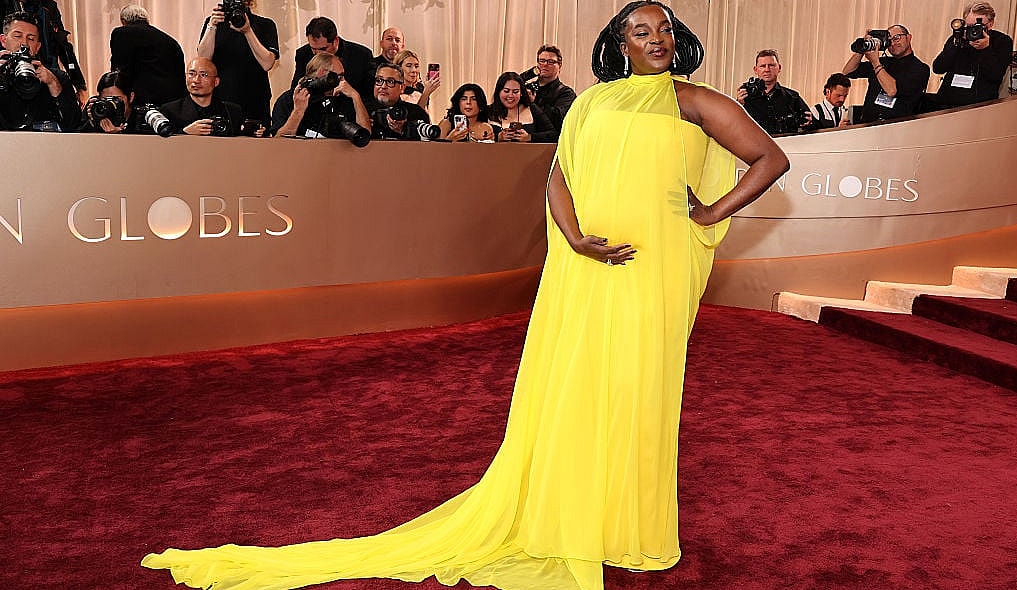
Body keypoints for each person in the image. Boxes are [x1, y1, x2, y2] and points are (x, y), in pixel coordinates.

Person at [140, 2, 788, 589]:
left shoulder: (693, 100)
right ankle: (573, 510)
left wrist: (710, 213)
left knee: (639, 385)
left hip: (654, 265)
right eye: (641, 31)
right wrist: (574, 239)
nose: (656, 39)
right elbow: (559, 176)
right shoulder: (593, 102)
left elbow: (769, 159)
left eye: (664, 29)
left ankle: (628, 523)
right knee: (578, 383)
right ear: (619, 44)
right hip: (586, 263)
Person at [197, 0, 278, 129]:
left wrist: (247, 31)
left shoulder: (265, 25)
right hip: (221, 100)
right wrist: (211, 26)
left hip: (255, 100)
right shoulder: (214, 23)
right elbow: (203, 61)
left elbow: (267, 63)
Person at [0, 11, 79, 131]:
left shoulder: (57, 77)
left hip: (44, 142)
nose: (24, 44)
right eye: (17, 36)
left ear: (38, 47)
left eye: (31, 38)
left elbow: (73, 125)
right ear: (3, 40)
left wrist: (53, 84)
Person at [931, 1, 1012, 109]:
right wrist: (956, 43)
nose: (973, 31)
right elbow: (937, 68)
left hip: (979, 106)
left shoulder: (1002, 41)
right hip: (947, 102)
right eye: (969, 26)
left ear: (990, 24)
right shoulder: (957, 38)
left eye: (978, 26)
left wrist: (985, 49)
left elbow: (996, 75)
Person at [843, 24, 929, 122]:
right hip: (868, 123)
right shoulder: (883, 61)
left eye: (896, 38)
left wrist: (876, 63)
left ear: (908, 37)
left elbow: (892, 91)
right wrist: (863, 47)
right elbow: (848, 72)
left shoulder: (920, 68)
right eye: (889, 41)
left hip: (895, 126)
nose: (893, 43)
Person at [271, 53, 370, 138]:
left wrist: (356, 97)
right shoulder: (290, 99)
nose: (343, 81)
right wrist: (298, 111)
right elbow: (279, 142)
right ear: (322, 73)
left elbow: (364, 137)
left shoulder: (344, 97)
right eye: (339, 76)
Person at [0, 0, 85, 97]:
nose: (24, 42)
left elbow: (63, 45)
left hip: (46, 72)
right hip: (8, 73)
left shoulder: (48, 6)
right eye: (18, 36)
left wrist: (79, 84)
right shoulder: (4, 6)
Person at [109, 5, 185, 107]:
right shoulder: (170, 41)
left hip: (142, 102)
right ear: (146, 20)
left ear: (123, 21)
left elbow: (119, 70)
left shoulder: (122, 33)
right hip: (174, 103)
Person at [290, 16, 373, 100]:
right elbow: (295, 89)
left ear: (335, 41)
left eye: (323, 49)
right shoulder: (303, 54)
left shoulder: (362, 56)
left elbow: (369, 95)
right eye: (313, 49)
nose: (317, 54)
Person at [735, 49, 812, 134]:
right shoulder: (745, 97)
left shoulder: (792, 97)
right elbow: (733, 125)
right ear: (755, 69)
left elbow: (811, 123)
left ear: (779, 68)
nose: (767, 69)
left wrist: (808, 123)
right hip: (753, 141)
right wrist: (738, 105)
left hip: (785, 141)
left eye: (771, 65)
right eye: (763, 66)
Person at [159, 57, 242, 136]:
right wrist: (184, 132)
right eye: (191, 74)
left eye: (203, 75)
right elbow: (161, 142)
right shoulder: (169, 111)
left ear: (216, 82)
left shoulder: (231, 112)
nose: (196, 80)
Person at [364, 62, 431, 140]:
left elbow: (426, 145)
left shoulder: (416, 113)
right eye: (379, 80)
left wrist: (403, 131)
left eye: (390, 82)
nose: (383, 86)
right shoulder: (363, 110)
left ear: (402, 88)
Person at [490, 71, 556, 143]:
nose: (510, 95)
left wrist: (529, 137)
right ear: (498, 92)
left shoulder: (532, 109)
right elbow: (480, 137)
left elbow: (553, 135)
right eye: (506, 91)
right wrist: (497, 137)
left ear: (521, 93)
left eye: (515, 92)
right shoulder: (488, 111)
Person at [524, 44, 577, 134]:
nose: (545, 64)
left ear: (559, 65)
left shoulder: (566, 93)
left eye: (551, 62)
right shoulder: (528, 88)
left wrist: (532, 103)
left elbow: (558, 119)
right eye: (542, 61)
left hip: (550, 141)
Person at [77, 70, 146, 134]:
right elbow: (78, 137)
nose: (111, 104)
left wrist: (120, 133)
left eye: (116, 99)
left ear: (131, 97)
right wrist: (92, 123)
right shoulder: (96, 107)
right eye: (106, 99)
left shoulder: (140, 115)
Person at [363, 26, 403, 99]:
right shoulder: (370, 66)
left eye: (397, 40)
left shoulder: (406, 68)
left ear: (402, 46)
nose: (394, 43)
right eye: (389, 39)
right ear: (381, 44)